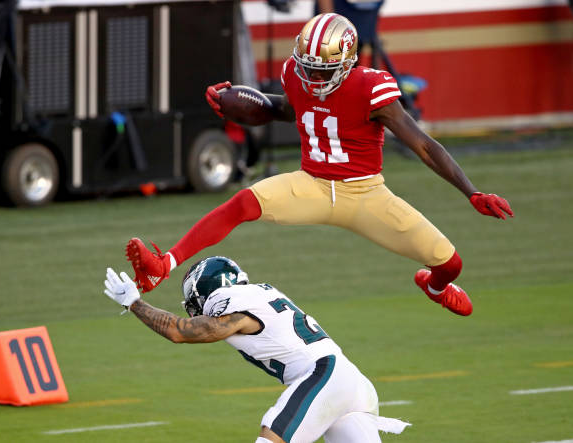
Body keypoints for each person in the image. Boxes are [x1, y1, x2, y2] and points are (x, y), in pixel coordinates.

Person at [125, 13, 513, 317]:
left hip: (365, 194)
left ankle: (433, 286)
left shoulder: (371, 87)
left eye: (321, 71)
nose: (311, 77)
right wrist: (237, 104)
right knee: (242, 204)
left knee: (451, 262)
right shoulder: (296, 73)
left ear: (346, 63)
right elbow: (282, 109)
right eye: (306, 67)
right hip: (310, 183)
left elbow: (423, 146)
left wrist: (471, 190)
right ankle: (164, 263)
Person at [103, 256, 411, 442]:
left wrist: (135, 303)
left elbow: (181, 331)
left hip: (324, 376)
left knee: (271, 437)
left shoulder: (229, 301)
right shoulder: (259, 293)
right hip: (351, 382)